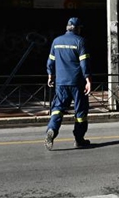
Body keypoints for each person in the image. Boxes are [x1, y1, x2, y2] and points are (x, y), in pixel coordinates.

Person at [45, 17, 92, 150]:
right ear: (77, 28)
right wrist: (88, 79)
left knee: (58, 109)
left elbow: (50, 61)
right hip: (77, 82)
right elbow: (84, 64)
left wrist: (50, 75)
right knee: (80, 111)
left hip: (61, 82)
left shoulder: (56, 41)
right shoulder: (80, 41)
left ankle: (52, 130)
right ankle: (79, 139)